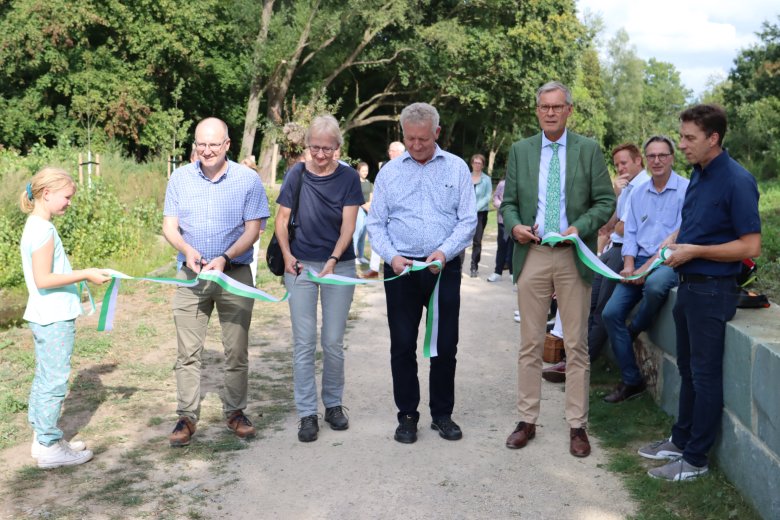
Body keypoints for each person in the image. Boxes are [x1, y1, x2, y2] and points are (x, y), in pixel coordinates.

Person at [639, 104, 761, 481]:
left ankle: (695, 460)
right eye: (682, 135)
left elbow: (750, 247)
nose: (682, 144)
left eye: (690, 138)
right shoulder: (699, 174)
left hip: (713, 292)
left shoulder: (737, 180)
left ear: (714, 138)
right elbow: (689, 228)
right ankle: (680, 441)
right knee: (691, 373)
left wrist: (695, 252)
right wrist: (664, 251)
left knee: (705, 377)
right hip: (688, 287)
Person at [502, 81, 615, 457]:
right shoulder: (520, 150)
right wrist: (515, 225)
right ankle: (526, 420)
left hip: (572, 253)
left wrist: (578, 228)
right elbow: (510, 204)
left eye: (557, 106)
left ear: (569, 110)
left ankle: (577, 426)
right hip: (532, 252)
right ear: (537, 111)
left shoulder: (588, 150)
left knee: (575, 345)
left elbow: (604, 201)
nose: (550, 112)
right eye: (544, 107)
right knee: (530, 343)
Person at [366, 102, 476, 444]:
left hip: (443, 268)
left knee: (445, 345)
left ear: (437, 134)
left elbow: (468, 220)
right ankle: (407, 415)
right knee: (402, 345)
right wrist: (392, 256)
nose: (416, 146)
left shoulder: (457, 169)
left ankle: (442, 414)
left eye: (424, 140)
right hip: (401, 270)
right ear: (403, 135)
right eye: (411, 139)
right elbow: (375, 223)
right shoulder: (390, 173)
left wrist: (444, 253)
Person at [163, 117, 270, 447]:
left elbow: (254, 230)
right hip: (190, 276)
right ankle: (186, 416)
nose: (207, 150)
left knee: (236, 350)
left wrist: (224, 256)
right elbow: (170, 227)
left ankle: (235, 412)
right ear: (195, 145)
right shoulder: (179, 178)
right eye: (201, 144)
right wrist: (186, 249)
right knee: (187, 353)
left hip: (234, 274)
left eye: (214, 144)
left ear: (227, 145)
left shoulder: (247, 180)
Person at [275, 114, 364, 442]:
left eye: (327, 148)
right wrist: (287, 256)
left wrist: (332, 259)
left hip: (337, 266)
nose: (321, 154)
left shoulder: (349, 178)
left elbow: (349, 227)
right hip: (299, 267)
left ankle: (334, 405)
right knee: (303, 341)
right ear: (307, 146)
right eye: (315, 147)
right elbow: (281, 220)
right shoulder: (296, 174)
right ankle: (307, 413)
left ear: (338, 148)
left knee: (332, 341)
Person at [19, 167, 112, 468]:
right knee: (55, 380)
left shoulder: (35, 224)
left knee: (46, 376)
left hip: (44, 315)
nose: (69, 203)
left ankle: (43, 438)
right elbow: (44, 278)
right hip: (53, 317)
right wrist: (85, 273)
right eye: (67, 197)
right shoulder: (43, 230)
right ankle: (48, 448)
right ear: (47, 194)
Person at [543, 143, 648, 383]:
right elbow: (611, 224)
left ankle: (579, 366)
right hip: (614, 248)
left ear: (638, 160)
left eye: (625, 162)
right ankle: (573, 361)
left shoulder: (643, 186)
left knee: (601, 310)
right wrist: (615, 194)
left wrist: (617, 224)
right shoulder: (627, 187)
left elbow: (623, 227)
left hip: (625, 252)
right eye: (617, 164)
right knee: (589, 305)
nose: (621, 168)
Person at [601, 136, 688, 403]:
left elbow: (682, 233)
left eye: (663, 155)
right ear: (646, 160)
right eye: (652, 156)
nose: (657, 161)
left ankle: (636, 327)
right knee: (610, 313)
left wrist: (648, 269)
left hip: (668, 261)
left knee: (655, 285)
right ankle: (632, 380)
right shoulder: (638, 193)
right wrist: (628, 265)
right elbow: (630, 234)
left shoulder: (686, 189)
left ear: (672, 157)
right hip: (637, 260)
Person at [362, 141, 406, 279]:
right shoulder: (385, 166)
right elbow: (379, 186)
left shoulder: (408, 165)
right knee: (379, 235)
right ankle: (374, 268)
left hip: (401, 209)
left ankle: (401, 265)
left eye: (391, 151)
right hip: (385, 208)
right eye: (390, 150)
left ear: (399, 152)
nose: (389, 153)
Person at [468, 154, 492, 278]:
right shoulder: (466, 177)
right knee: (462, 240)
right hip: (465, 213)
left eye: (479, 163)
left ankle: (474, 266)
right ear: (472, 163)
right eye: (475, 162)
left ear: (483, 165)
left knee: (477, 241)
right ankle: (459, 265)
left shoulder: (486, 179)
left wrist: (475, 208)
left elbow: (488, 196)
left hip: (480, 213)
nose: (477, 165)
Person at [241, 155, 263, 283]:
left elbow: (262, 208)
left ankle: (251, 282)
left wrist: (261, 227)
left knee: (252, 256)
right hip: (239, 231)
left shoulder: (257, 186)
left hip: (254, 229)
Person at [487, 176, 513, 283]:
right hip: (502, 221)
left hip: (517, 223)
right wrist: (503, 206)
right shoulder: (502, 184)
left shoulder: (521, 182)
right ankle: (497, 272)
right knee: (502, 246)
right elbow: (495, 198)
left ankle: (513, 273)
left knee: (513, 248)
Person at [352, 162, 373, 265]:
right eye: (363, 170)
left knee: (363, 235)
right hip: (359, 209)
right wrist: (365, 207)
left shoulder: (369, 183)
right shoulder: (356, 183)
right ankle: (353, 256)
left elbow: (371, 196)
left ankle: (360, 256)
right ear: (358, 171)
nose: (365, 172)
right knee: (357, 233)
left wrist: (369, 207)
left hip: (368, 210)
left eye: (366, 170)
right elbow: (356, 198)